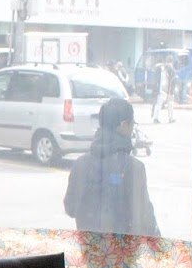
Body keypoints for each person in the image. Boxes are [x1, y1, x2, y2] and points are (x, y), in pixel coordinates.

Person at [63, 97, 160, 236]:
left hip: (89, 247)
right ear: (123, 125)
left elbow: (70, 208)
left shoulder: (80, 164)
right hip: (122, 249)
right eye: (132, 124)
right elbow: (145, 218)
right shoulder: (133, 167)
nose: (132, 129)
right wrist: (160, 246)